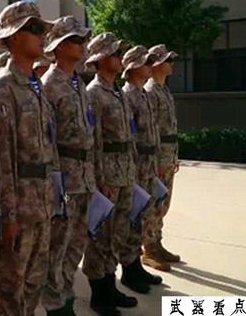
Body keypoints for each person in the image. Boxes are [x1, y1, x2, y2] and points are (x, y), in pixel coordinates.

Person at [0, 1, 58, 316]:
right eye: (35, 29)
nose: (43, 36)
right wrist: (8, 216)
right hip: (19, 206)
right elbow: (1, 161)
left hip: (41, 202)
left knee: (33, 282)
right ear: (14, 36)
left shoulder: (36, 86)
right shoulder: (3, 87)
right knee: (10, 288)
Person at [40, 16, 100, 316]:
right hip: (64, 178)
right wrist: (55, 186)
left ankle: (67, 297)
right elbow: (46, 140)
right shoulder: (50, 86)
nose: (83, 45)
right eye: (76, 40)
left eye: (83, 39)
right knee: (58, 249)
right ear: (59, 46)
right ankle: (57, 305)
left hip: (84, 177)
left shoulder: (78, 84)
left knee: (77, 243)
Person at [82, 33, 138, 316]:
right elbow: (94, 141)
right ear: (101, 59)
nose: (119, 58)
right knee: (101, 237)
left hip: (125, 171)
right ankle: (99, 294)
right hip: (107, 175)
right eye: (114, 54)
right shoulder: (93, 94)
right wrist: (98, 179)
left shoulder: (117, 92)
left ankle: (110, 284)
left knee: (118, 232)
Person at [120, 46, 166, 292]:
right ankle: (129, 268)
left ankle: (136, 265)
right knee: (132, 218)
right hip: (135, 165)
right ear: (133, 67)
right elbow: (130, 135)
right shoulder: (127, 95)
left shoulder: (143, 94)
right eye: (145, 63)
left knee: (142, 216)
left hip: (148, 164)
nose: (150, 66)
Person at [143, 44, 181, 268]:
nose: (171, 64)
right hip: (158, 158)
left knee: (163, 204)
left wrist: (174, 156)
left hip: (168, 155)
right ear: (156, 64)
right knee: (154, 203)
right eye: (167, 60)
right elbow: (151, 130)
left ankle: (157, 242)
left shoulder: (164, 90)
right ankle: (149, 248)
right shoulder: (150, 92)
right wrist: (155, 160)